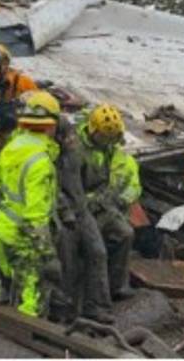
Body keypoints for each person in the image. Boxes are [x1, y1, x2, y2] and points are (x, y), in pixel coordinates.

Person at [0, 90, 62, 318]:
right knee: (31, 303)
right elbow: (36, 218)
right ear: (50, 126)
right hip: (24, 240)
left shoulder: (11, 147)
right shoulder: (41, 161)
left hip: (0, 231)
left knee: (7, 288)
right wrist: (48, 256)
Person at [54, 113, 114, 324]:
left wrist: (94, 199)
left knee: (98, 252)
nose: (72, 140)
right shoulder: (49, 157)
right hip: (64, 214)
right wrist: (65, 212)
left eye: (72, 135)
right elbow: (53, 188)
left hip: (82, 210)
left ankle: (97, 306)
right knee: (68, 262)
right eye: (68, 136)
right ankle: (65, 310)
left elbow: (86, 181)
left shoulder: (74, 153)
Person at [77, 104, 141, 301]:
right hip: (81, 209)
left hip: (104, 206)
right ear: (93, 130)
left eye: (111, 139)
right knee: (95, 247)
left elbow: (132, 185)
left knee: (125, 233)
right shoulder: (76, 150)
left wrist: (118, 200)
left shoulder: (112, 151)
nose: (108, 142)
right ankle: (89, 292)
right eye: (104, 138)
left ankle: (117, 286)